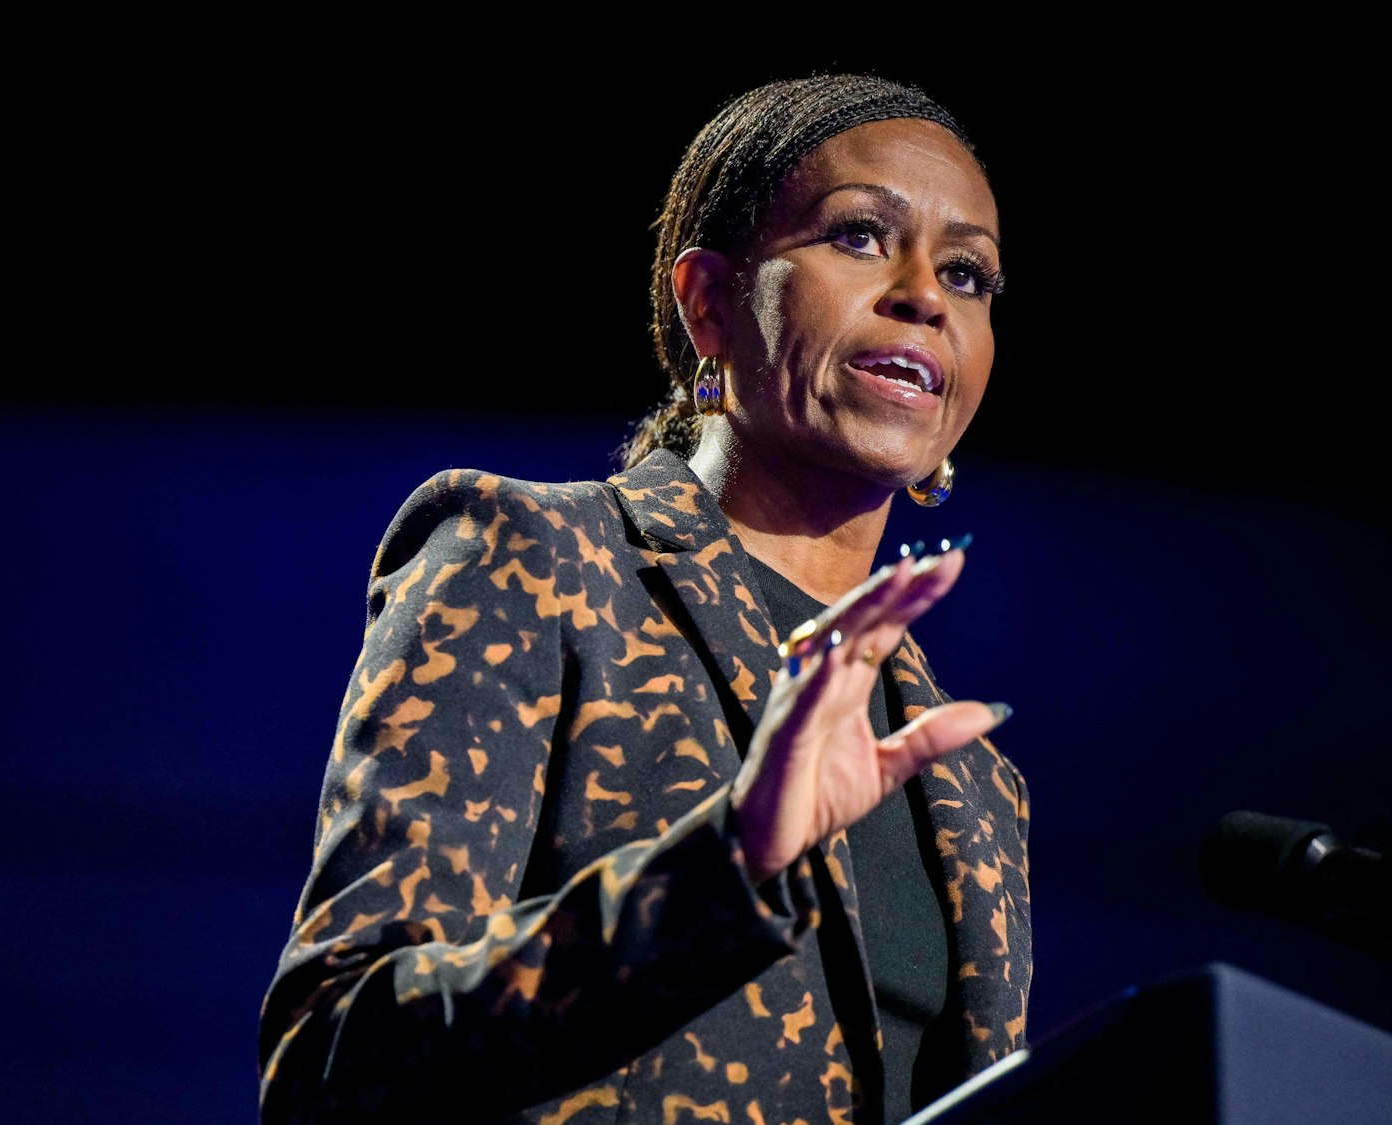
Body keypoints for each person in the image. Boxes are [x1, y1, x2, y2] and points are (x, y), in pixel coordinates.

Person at [256, 73, 1031, 1125]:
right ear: (709, 300)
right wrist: (732, 866)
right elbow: (335, 1061)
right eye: (857, 236)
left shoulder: (977, 790)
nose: (923, 295)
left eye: (967, 274)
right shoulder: (536, 564)